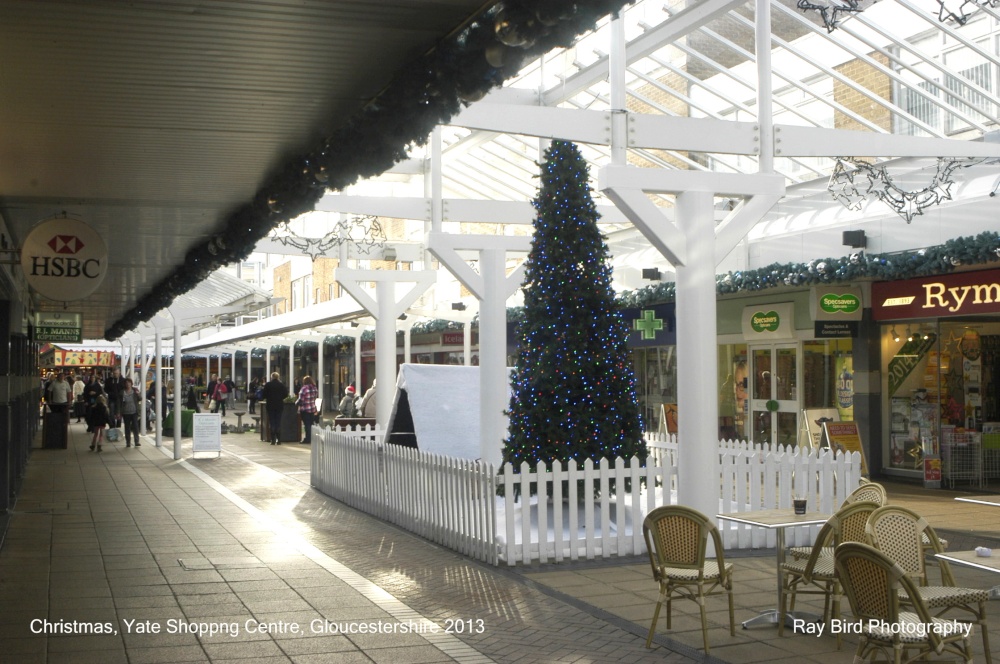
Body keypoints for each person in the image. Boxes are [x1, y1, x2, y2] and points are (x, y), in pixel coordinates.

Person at [261, 372, 288, 445]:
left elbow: (264, 395)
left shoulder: (268, 385)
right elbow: (286, 394)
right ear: (278, 377)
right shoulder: (281, 385)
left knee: (272, 421)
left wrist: (268, 397)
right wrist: (280, 398)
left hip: (270, 405)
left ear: (271, 377)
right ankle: (279, 440)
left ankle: (272, 440)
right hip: (279, 405)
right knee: (278, 421)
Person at [297, 376, 319, 444]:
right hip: (312, 408)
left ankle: (307, 438)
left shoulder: (304, 388)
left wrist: (296, 403)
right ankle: (311, 437)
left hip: (305, 409)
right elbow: (315, 397)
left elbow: (301, 399)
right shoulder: (314, 388)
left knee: (306, 424)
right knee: (311, 423)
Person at [120, 378, 142, 448]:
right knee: (127, 427)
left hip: (134, 411)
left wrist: (138, 394)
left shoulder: (135, 390)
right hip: (125, 412)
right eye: (126, 383)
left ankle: (136, 441)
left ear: (131, 383)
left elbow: (140, 398)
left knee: (135, 427)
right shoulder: (122, 392)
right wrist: (119, 411)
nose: (128, 384)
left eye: (129, 382)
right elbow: (119, 402)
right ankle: (128, 442)